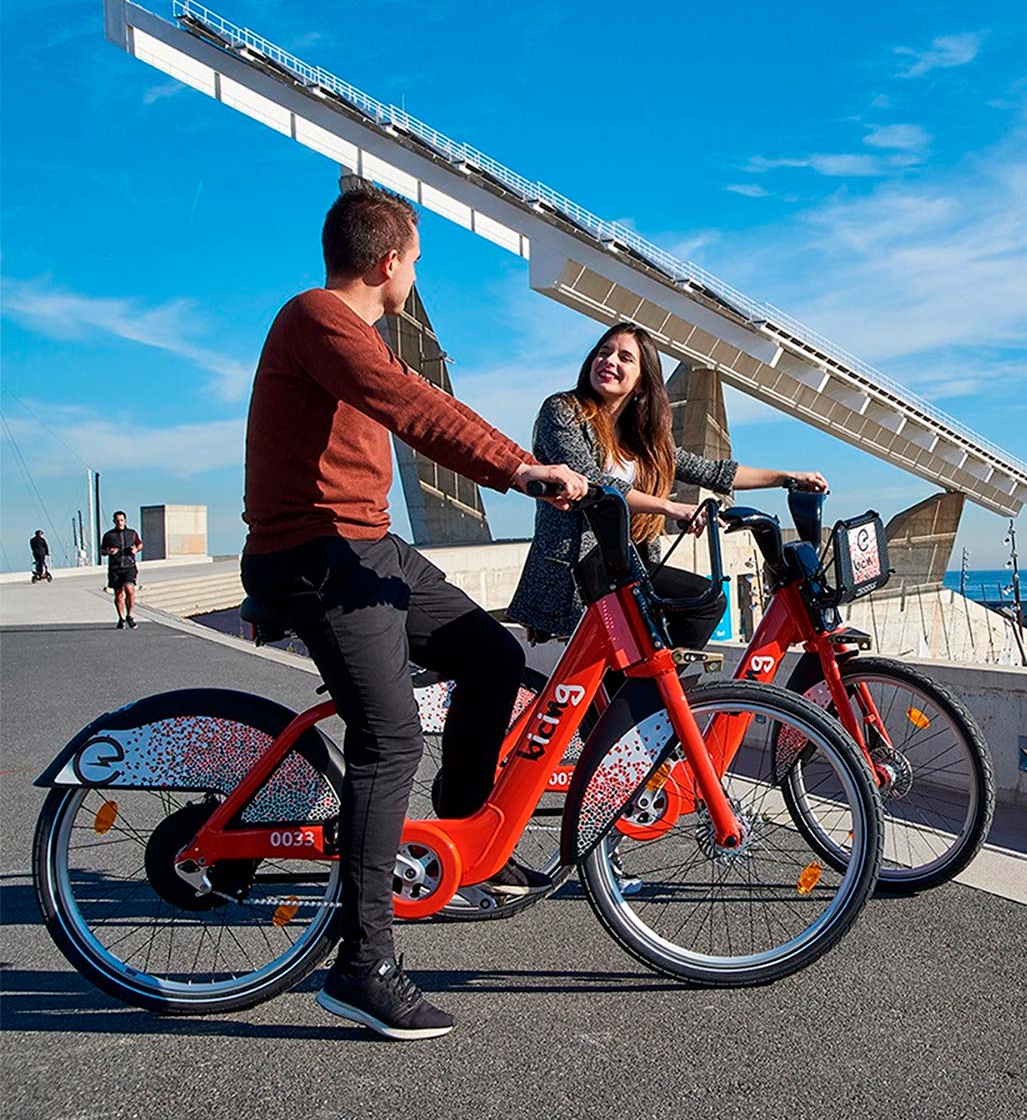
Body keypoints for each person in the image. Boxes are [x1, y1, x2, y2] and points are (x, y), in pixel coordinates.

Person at [240, 186, 587, 1042]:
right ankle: (361, 966)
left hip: (368, 546)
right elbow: (416, 409)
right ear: (390, 261)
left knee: (492, 657)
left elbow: (418, 401)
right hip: (318, 553)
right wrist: (522, 468)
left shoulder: (351, 332)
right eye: (418, 260)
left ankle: (455, 846)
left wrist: (522, 463)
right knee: (389, 734)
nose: (416, 272)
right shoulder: (318, 317)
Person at [508, 321, 828, 646]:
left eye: (624, 358)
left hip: (630, 568)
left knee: (707, 601)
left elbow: (711, 472)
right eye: (603, 353)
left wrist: (787, 478)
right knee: (636, 656)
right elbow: (591, 481)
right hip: (579, 571)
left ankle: (655, 694)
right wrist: (670, 506)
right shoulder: (563, 411)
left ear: (642, 379)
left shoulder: (644, 439)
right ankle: (649, 695)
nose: (610, 361)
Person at [100, 512, 142, 628]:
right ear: (114, 521)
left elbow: (140, 544)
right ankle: (121, 618)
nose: (120, 522)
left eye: (122, 520)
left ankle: (130, 615)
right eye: (117, 520)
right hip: (115, 568)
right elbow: (102, 551)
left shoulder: (132, 533)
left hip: (129, 566)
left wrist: (136, 550)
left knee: (129, 590)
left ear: (125, 521)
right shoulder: (109, 535)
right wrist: (109, 552)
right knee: (118, 594)